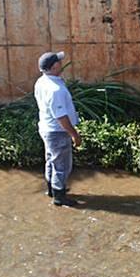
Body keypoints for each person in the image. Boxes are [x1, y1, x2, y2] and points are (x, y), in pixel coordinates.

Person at [34, 51, 80, 207]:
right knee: (62, 165)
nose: (61, 63)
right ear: (54, 66)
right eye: (59, 62)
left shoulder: (41, 81)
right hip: (57, 132)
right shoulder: (56, 90)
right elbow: (61, 117)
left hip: (46, 129)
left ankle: (52, 189)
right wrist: (74, 134)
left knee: (51, 160)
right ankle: (59, 197)